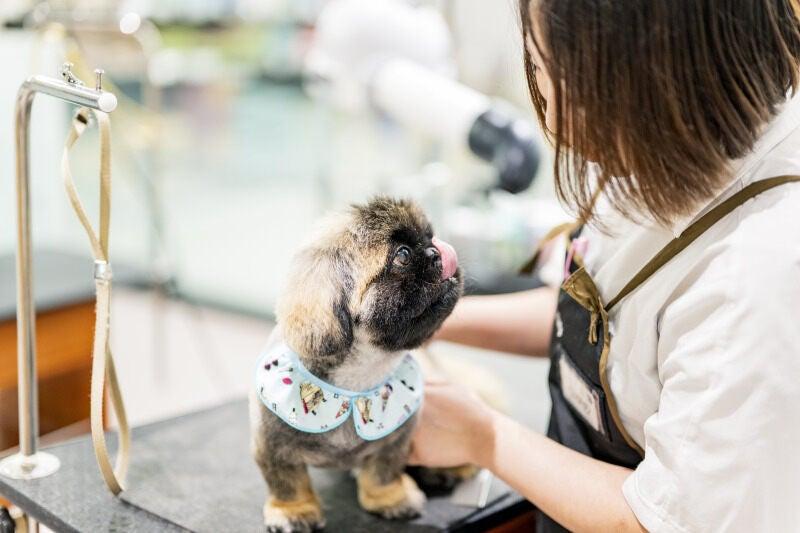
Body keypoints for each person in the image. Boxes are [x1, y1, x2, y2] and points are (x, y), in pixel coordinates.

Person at [409, 2, 800, 531]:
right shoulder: (664, 141)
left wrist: (482, 437)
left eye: (543, 67)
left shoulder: (759, 277)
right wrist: (427, 322)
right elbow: (595, 311)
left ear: (641, 76)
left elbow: (664, 519)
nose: (545, 107)